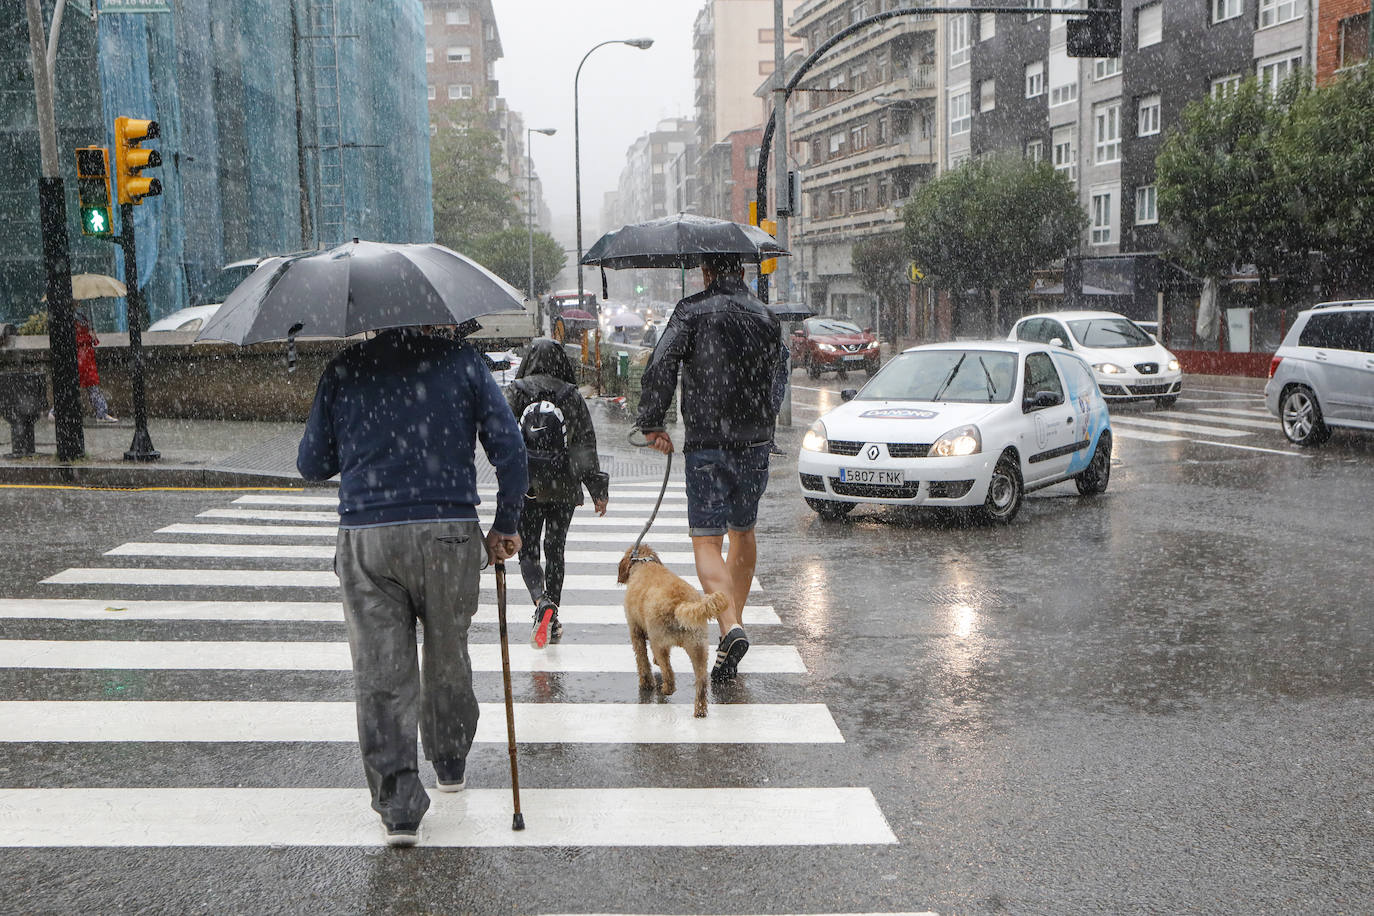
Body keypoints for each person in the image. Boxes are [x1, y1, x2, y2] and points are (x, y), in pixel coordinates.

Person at [297, 326, 527, 847]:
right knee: (447, 651)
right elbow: (510, 448)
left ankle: (399, 806)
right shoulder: (463, 362)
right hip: (447, 529)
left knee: (381, 670)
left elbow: (312, 464)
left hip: (368, 535)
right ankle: (449, 761)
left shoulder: (344, 367)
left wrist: (363, 439)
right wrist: (507, 522)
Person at [636, 253, 787, 680]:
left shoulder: (692, 310)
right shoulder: (766, 316)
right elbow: (780, 375)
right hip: (755, 442)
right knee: (744, 532)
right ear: (742, 271)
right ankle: (731, 630)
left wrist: (652, 421)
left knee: (706, 540)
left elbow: (661, 363)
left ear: (706, 272)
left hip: (707, 442)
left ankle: (730, 625)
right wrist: (765, 421)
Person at [505, 338, 609, 648]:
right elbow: (584, 445)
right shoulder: (570, 395)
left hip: (528, 485)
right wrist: (596, 488)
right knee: (555, 550)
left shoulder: (518, 391)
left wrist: (506, 480)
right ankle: (553, 613)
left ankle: (540, 601)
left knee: (528, 551)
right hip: (563, 485)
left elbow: (503, 437)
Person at [75, 311, 117, 422]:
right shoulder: (73, 318)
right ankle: (101, 413)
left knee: (91, 387)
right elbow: (74, 339)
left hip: (87, 358)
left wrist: (92, 336)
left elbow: (89, 340)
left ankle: (101, 413)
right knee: (89, 387)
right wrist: (88, 337)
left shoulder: (81, 315)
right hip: (82, 359)